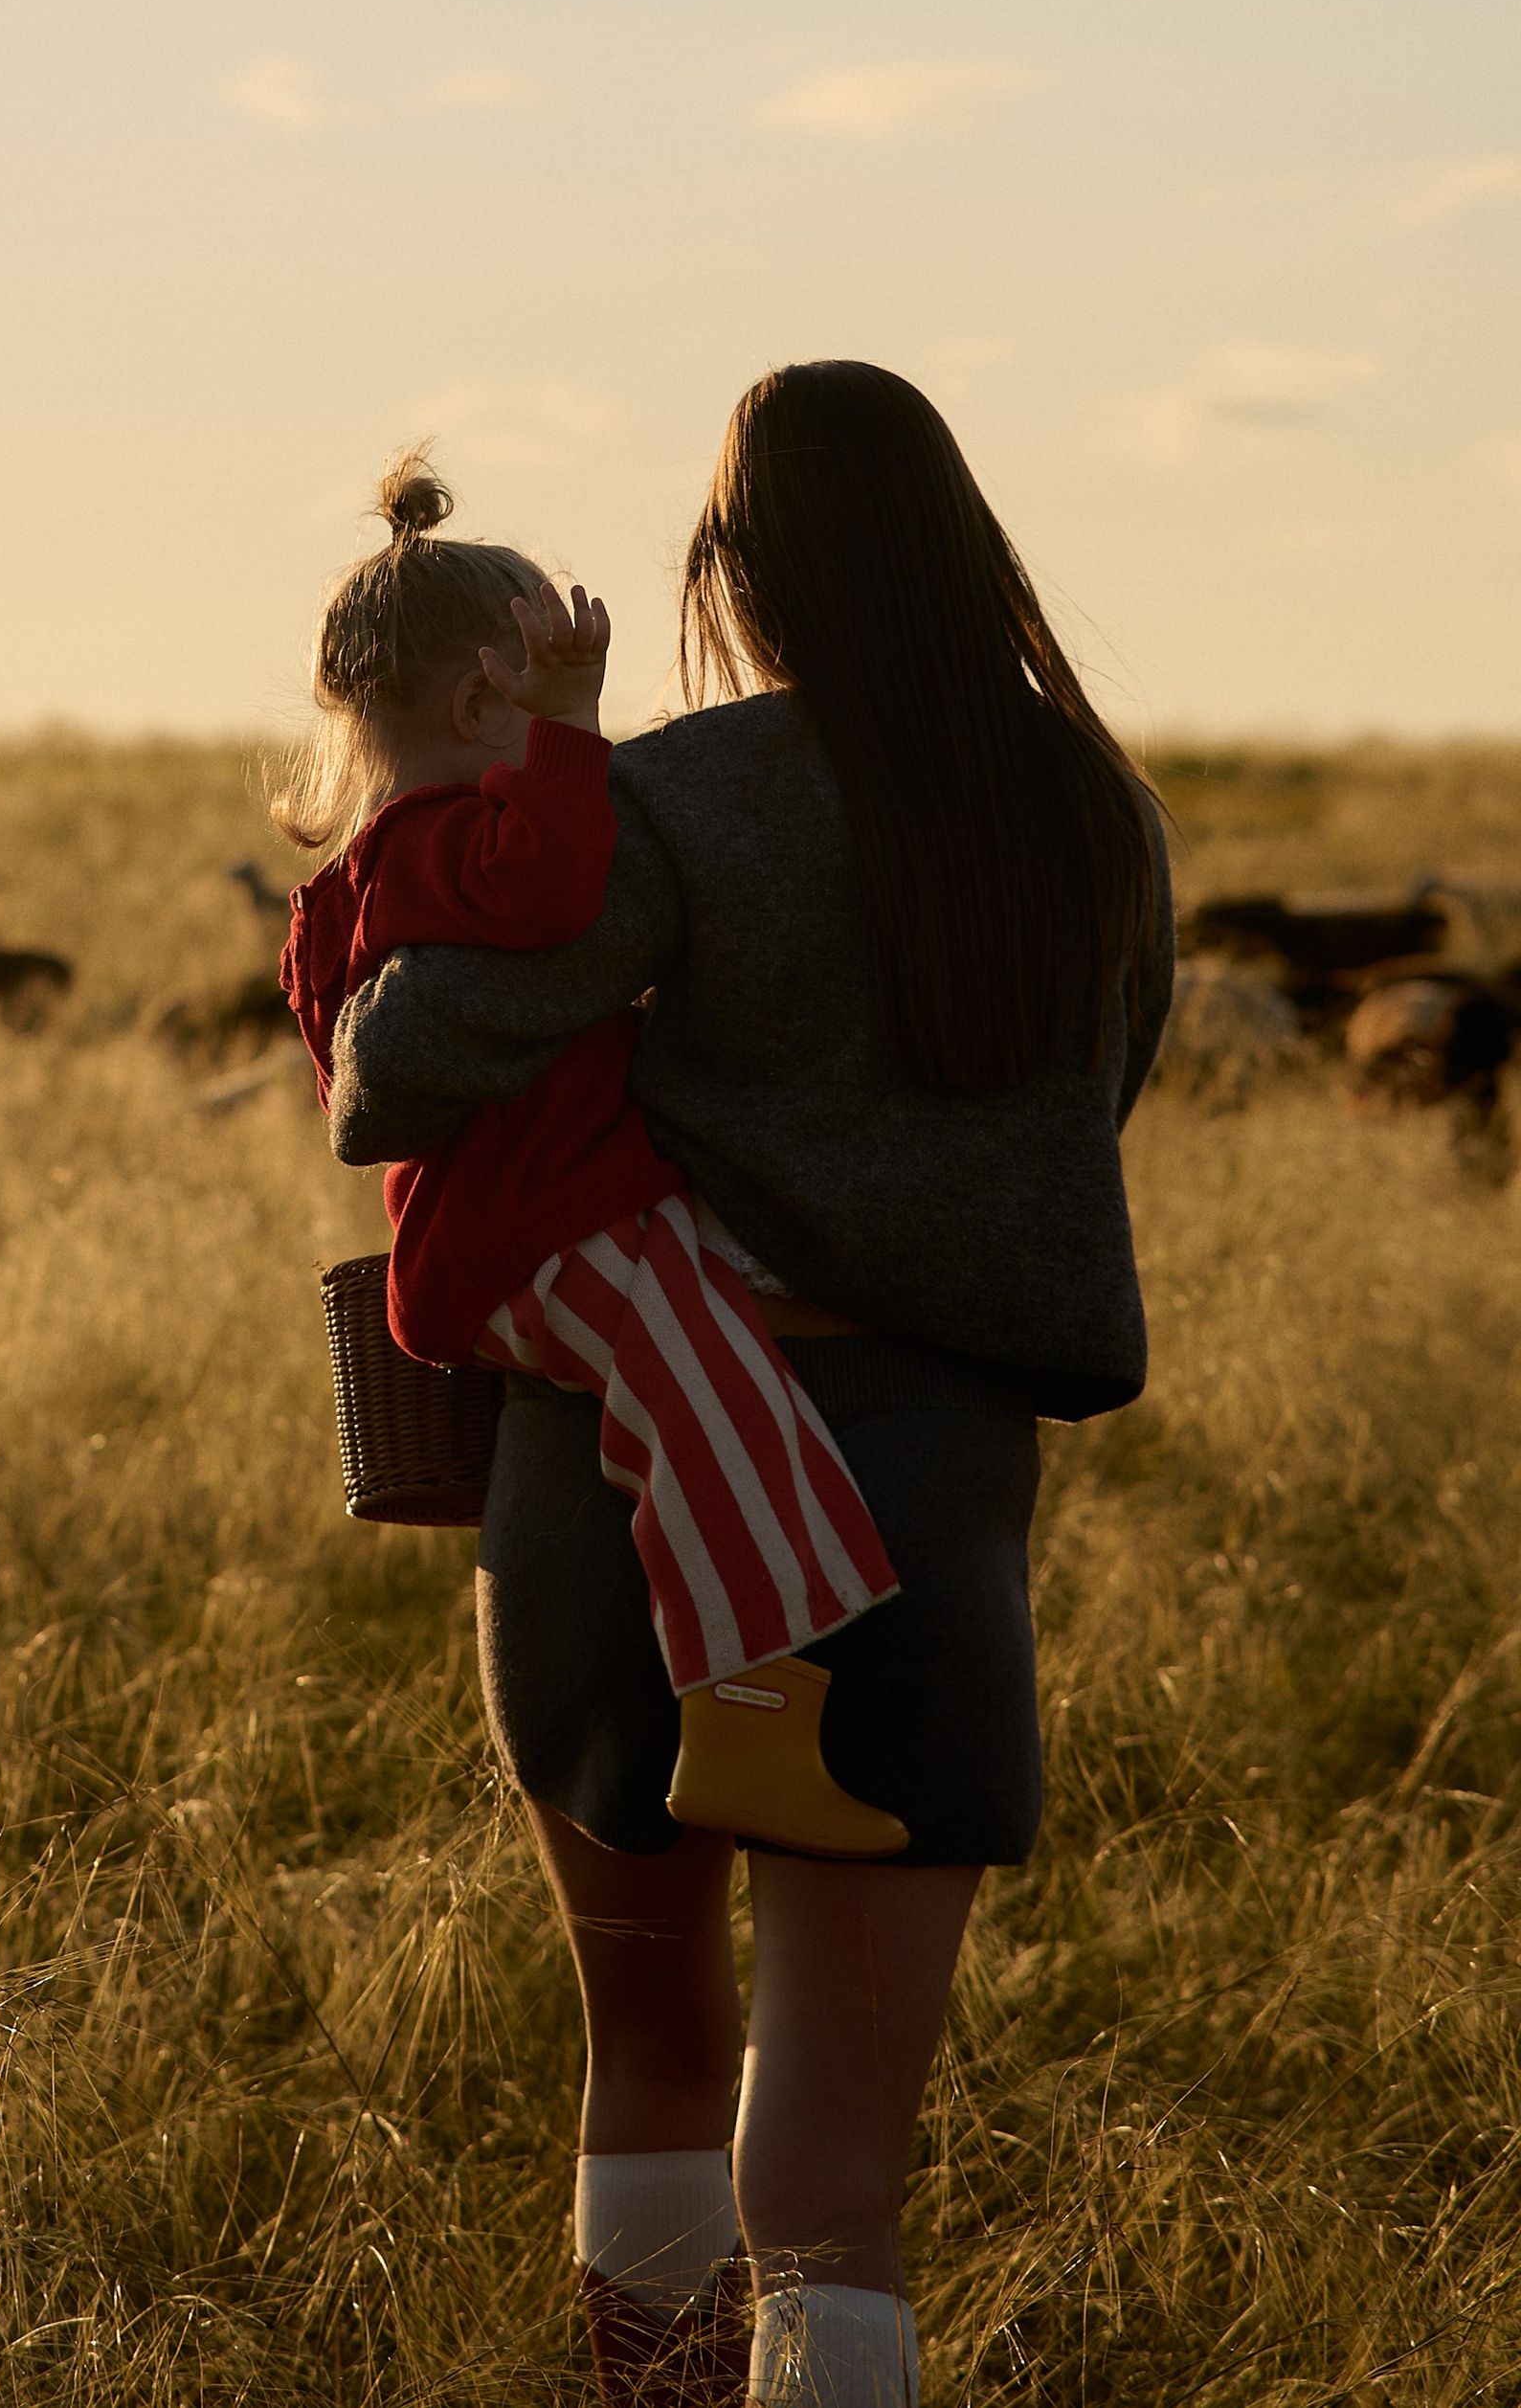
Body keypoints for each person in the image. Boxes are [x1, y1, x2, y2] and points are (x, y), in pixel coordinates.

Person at [325, 365, 1174, 2408]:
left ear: (735, 574)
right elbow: (1085, 1111)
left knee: (650, 2054)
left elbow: (398, 1069)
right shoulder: (1092, 814)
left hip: (609, 1468)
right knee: (836, 2183)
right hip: (921, 1474)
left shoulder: (684, 793)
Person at [278, 454, 906, 1857]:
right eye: (545, 687)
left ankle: (754, 1705)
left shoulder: (359, 882)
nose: (581, 722)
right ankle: (748, 1720)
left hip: (546, 1217)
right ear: (479, 704)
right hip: (546, 1223)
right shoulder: (447, 844)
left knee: (708, 1379)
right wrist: (575, 731)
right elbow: (566, 885)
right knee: (722, 1409)